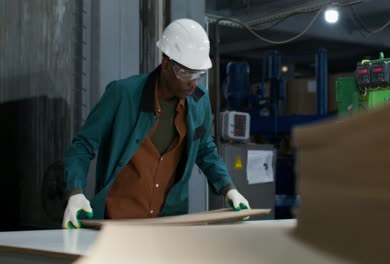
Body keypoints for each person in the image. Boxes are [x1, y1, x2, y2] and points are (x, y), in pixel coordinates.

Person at [62, 18, 250, 229]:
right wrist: (75, 192)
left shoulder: (199, 100)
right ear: (166, 64)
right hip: (117, 224)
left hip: (169, 223)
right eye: (186, 73)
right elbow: (83, 145)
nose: (193, 82)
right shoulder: (123, 95)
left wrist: (228, 188)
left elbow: (205, 149)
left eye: (199, 74)